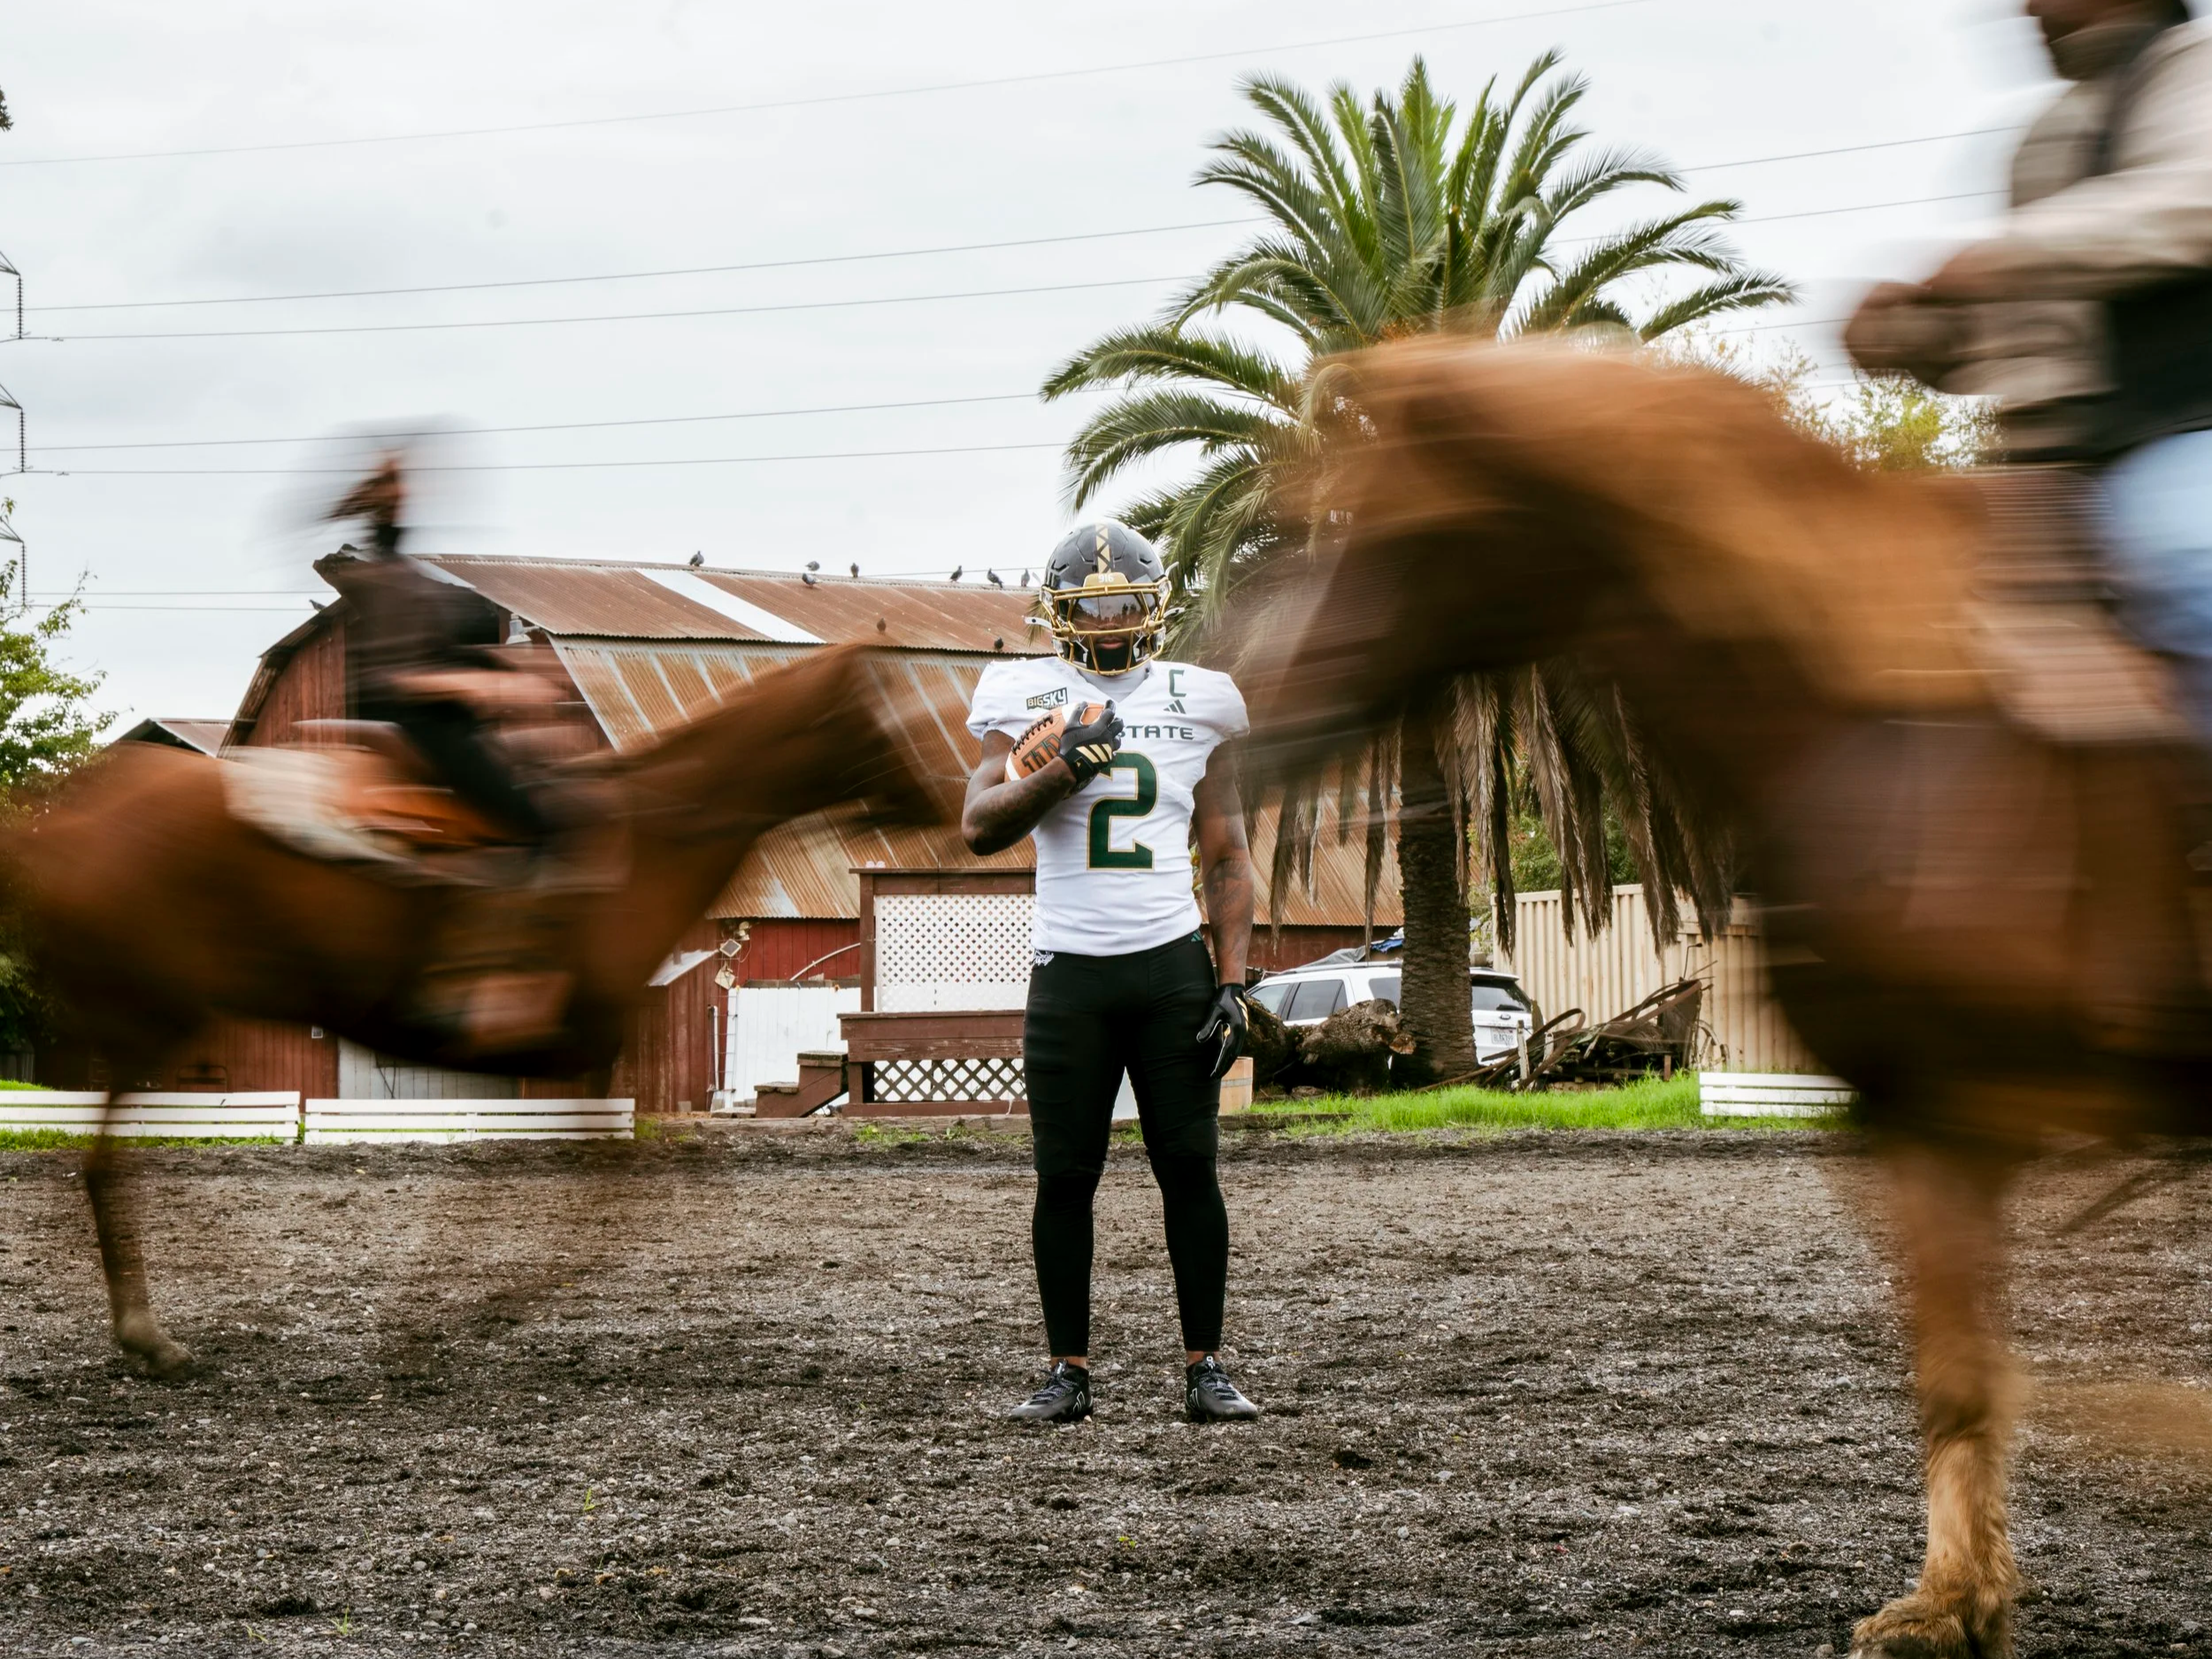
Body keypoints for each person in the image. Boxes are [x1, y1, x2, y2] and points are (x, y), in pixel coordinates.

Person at [962, 520, 1261, 1425]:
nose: (1109, 619)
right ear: (1057, 612)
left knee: (1189, 1168)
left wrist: (1234, 981)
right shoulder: (1023, 694)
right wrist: (1061, 768)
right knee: (1064, 1176)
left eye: (1125, 601)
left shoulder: (1200, 696)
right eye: (1091, 606)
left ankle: (1206, 1367)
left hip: (1170, 966)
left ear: (1155, 603)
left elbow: (1228, 852)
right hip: (1070, 973)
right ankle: (1068, 1371)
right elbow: (979, 826)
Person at [1847, 0, 2212, 741]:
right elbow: (2026, 346)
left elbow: (2193, 205)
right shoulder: (2038, 146)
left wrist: (2000, 258)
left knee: (2186, 555)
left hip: (2180, 436)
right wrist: (1916, 337)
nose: (2029, 9)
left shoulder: (2192, 68)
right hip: (2042, 469)